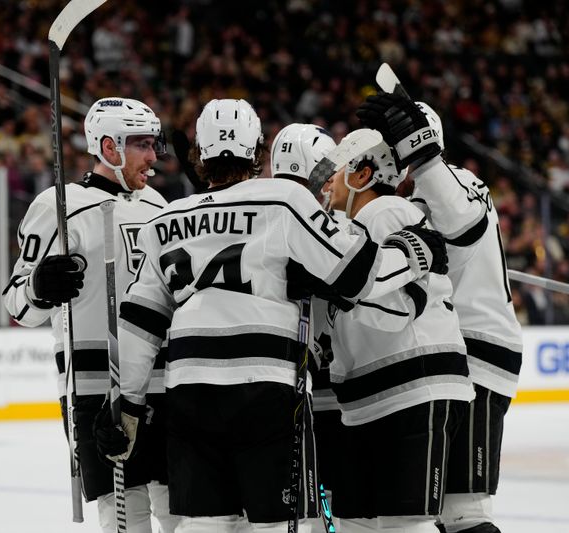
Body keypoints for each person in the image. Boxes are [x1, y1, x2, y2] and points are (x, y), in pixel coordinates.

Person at [95, 99, 449, 532]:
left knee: (203, 526)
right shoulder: (284, 200)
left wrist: (125, 403)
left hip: (189, 390)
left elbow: (140, 320)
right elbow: (357, 274)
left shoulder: (165, 218)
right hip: (264, 388)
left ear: (199, 154)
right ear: (257, 151)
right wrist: (415, 252)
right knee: (276, 524)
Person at [2, 97, 179, 533]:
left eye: (154, 144)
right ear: (109, 147)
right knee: (126, 520)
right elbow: (17, 304)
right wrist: (40, 288)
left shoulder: (159, 206)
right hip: (96, 388)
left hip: (163, 382)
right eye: (142, 145)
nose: (153, 157)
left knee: (182, 515)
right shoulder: (58, 206)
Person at [358, 95, 523, 533]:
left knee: (464, 511)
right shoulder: (412, 200)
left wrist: (426, 159)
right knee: (435, 512)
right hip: (450, 360)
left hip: (480, 355)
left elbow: (464, 226)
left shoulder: (458, 182)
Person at [321, 127, 475, 533]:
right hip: (373, 398)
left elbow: (392, 306)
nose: (327, 181)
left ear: (361, 175)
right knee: (356, 522)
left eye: (335, 172)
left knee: (405, 524)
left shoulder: (385, 212)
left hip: (413, 388)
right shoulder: (356, 225)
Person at [270, 123, 341, 533]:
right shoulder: (304, 218)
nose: (331, 182)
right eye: (326, 171)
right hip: (298, 382)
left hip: (312, 381)